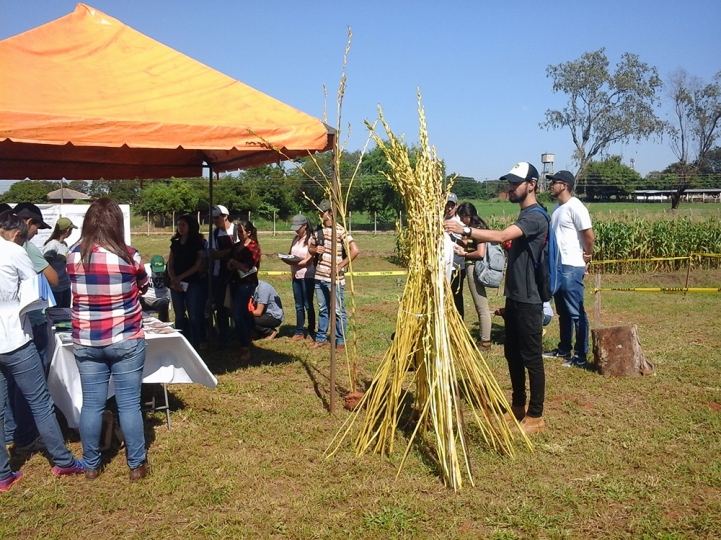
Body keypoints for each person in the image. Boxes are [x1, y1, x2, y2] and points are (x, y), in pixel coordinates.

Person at [445, 162, 548, 434]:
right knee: (512, 353)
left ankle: (536, 416)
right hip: (515, 296)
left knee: (531, 357)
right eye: (510, 183)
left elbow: (501, 236)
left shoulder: (535, 217)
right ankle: (518, 407)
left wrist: (465, 230)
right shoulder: (525, 215)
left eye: (516, 183)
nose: (511, 187)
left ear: (532, 185)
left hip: (530, 299)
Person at [1, 210, 85, 493]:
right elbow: (37, 290)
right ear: (16, 233)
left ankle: (3, 473)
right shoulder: (14, 251)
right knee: (40, 401)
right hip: (14, 338)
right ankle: (63, 460)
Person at [67, 198, 150, 481]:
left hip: (87, 339)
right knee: (129, 404)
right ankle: (136, 464)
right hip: (125, 337)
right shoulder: (129, 256)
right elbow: (143, 284)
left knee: (92, 404)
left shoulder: (73, 255)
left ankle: (91, 465)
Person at [4, 202, 59, 452]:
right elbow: (50, 281)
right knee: (36, 396)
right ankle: (54, 454)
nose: (37, 233)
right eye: (37, 227)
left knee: (9, 390)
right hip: (22, 332)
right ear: (26, 224)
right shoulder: (20, 249)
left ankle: (10, 435)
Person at [542, 171, 595, 368]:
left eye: (554, 183)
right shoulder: (557, 208)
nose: (550, 186)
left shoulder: (576, 207)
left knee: (576, 312)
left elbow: (589, 236)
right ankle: (564, 348)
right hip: (557, 266)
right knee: (563, 311)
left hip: (572, 265)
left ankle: (581, 355)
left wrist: (587, 256)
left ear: (564, 185)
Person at [309, 199, 360, 349]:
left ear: (330, 213)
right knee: (323, 309)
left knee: (338, 311)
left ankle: (340, 341)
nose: (320, 215)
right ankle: (321, 338)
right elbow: (310, 247)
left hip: (335, 279)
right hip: (319, 277)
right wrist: (314, 250)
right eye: (319, 212)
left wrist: (339, 266)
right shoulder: (318, 231)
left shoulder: (340, 230)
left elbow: (355, 250)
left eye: (322, 212)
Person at [455, 202, 493, 351]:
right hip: (472, 266)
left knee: (481, 306)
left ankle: (485, 341)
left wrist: (464, 254)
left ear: (468, 216)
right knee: (481, 305)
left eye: (462, 218)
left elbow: (480, 253)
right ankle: (484, 339)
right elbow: (469, 246)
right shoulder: (473, 230)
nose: (461, 221)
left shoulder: (477, 230)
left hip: (474, 268)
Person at [167, 215, 206, 349]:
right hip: (176, 283)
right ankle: (180, 343)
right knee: (179, 316)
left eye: (183, 225)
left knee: (193, 315)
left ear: (190, 227)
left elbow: (197, 265)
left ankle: (196, 344)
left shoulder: (197, 243)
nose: (180, 228)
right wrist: (174, 279)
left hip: (192, 282)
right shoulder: (175, 243)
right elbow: (170, 264)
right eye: (179, 225)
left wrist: (181, 277)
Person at [227, 219, 261, 362]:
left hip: (247, 284)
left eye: (242, 232)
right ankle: (244, 344)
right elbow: (231, 263)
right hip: (235, 282)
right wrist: (231, 264)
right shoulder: (236, 247)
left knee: (238, 315)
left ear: (249, 232)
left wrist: (235, 263)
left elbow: (248, 267)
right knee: (242, 315)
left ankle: (245, 347)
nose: (239, 234)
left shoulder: (254, 247)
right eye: (238, 232)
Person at [281, 214, 316, 341]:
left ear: (305, 226)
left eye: (298, 227)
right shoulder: (295, 238)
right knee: (298, 305)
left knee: (308, 304)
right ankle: (299, 332)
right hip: (295, 276)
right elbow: (291, 254)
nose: (296, 230)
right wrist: (287, 259)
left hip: (307, 276)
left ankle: (311, 331)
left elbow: (308, 260)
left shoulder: (311, 239)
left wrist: (293, 263)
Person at [209, 205, 236, 348]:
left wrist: (223, 253)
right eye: (213, 218)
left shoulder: (237, 230)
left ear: (225, 216)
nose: (215, 220)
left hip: (236, 274)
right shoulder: (214, 234)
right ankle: (223, 337)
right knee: (220, 307)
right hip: (219, 274)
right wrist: (230, 252)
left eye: (217, 217)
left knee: (236, 305)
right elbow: (213, 254)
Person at [42, 216, 78, 308]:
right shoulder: (52, 245)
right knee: (56, 316)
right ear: (67, 230)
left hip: (65, 285)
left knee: (65, 314)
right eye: (71, 230)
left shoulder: (64, 244)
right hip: (55, 288)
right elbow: (45, 264)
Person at [444, 193, 466, 317]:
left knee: (456, 294)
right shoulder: (441, 220)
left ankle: (459, 321)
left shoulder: (459, 222)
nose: (449, 208)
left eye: (452, 205)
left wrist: (455, 234)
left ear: (456, 206)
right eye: (447, 205)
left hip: (457, 265)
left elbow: (467, 242)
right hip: (444, 265)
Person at [139, 255, 170, 322]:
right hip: (146, 297)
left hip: (161, 299)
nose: (158, 272)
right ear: (151, 266)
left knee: (164, 302)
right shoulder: (145, 269)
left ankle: (163, 324)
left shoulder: (167, 270)